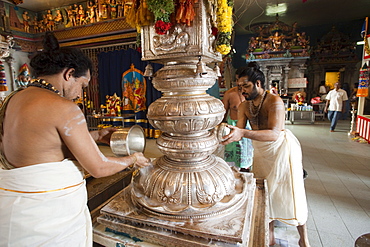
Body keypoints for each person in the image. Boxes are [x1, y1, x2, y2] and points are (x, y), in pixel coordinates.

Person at [0, 32, 151, 246]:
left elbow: (44, 143)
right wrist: (132, 159)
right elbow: (99, 167)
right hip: (48, 212)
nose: (80, 94)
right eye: (82, 84)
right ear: (69, 74)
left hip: (14, 206)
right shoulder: (64, 108)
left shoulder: (13, 99)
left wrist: (97, 135)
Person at [221, 62, 311, 247]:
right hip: (261, 152)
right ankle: (268, 237)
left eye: (246, 86)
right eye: (240, 86)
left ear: (259, 84)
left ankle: (304, 239)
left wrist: (243, 133)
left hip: (282, 150)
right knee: (264, 192)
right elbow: (239, 129)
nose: (242, 90)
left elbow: (274, 134)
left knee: (291, 192)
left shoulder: (274, 101)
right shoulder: (245, 106)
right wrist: (227, 134)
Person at [222, 66, 253, 172]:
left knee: (246, 162)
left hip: (247, 129)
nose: (239, 85)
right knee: (231, 163)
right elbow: (223, 115)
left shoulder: (252, 95)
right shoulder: (229, 94)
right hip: (232, 128)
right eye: (236, 81)